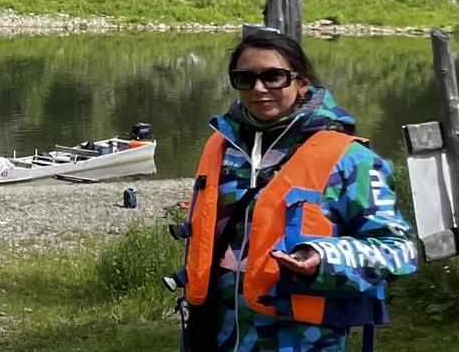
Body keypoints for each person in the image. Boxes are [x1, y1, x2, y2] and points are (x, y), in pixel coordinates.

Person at [168, 25, 418, 351]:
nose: (259, 88)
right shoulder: (221, 146)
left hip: (299, 340)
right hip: (213, 334)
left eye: (273, 77)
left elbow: (398, 250)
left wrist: (323, 258)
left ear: (302, 82)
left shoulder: (349, 159)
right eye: (245, 78)